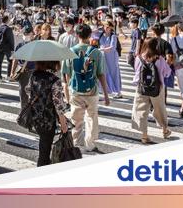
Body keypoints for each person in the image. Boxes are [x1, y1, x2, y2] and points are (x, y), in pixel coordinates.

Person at [61, 24, 111, 152]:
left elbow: (66, 75)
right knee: (92, 117)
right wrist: (106, 95)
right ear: (90, 36)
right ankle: (90, 143)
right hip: (92, 91)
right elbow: (101, 74)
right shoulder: (97, 53)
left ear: (77, 35)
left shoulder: (70, 52)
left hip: (76, 91)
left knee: (76, 119)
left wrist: (67, 94)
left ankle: (77, 144)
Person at [131, 38, 173, 144]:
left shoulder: (139, 58)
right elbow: (167, 73)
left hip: (142, 87)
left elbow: (136, 71)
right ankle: (164, 130)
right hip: (157, 88)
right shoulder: (159, 59)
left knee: (141, 110)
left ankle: (144, 135)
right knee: (159, 109)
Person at [29, 60, 68, 166]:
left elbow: (28, 91)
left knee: (43, 146)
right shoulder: (54, 80)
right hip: (48, 119)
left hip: (35, 116)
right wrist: (63, 123)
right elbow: (58, 104)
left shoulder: (34, 75)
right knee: (45, 151)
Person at [10, 26, 37, 108]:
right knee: (23, 93)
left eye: (28, 33)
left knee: (35, 93)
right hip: (23, 71)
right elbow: (15, 59)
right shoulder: (20, 45)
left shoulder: (36, 45)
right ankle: (24, 112)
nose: (26, 35)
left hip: (34, 72)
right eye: (24, 34)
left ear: (32, 34)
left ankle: (33, 111)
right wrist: (12, 71)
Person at [99, 21, 122, 99]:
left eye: (108, 27)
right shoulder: (101, 35)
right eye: (105, 26)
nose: (106, 28)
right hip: (104, 57)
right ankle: (107, 91)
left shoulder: (113, 36)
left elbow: (112, 48)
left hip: (112, 58)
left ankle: (118, 92)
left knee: (114, 74)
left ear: (111, 28)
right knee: (105, 74)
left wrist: (101, 49)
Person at [0, 15, 15, 82]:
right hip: (6, 47)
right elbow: (11, 39)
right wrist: (12, 49)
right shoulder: (8, 28)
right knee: (10, 61)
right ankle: (8, 76)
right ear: (7, 20)